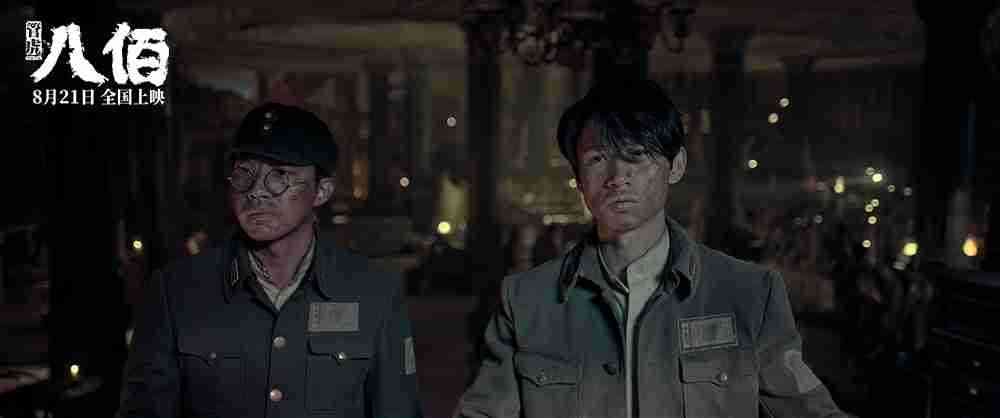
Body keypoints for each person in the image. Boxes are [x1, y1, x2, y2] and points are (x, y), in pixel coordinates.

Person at [455, 80, 847, 418]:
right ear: (579, 176)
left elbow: (810, 410)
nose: (617, 177)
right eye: (597, 159)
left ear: (676, 165)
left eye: (636, 155)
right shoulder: (527, 302)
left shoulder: (748, 294)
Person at [118, 103, 423, 418]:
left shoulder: (374, 293)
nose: (256, 192)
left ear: (321, 191)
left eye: (280, 175)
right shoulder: (176, 292)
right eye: (244, 174)